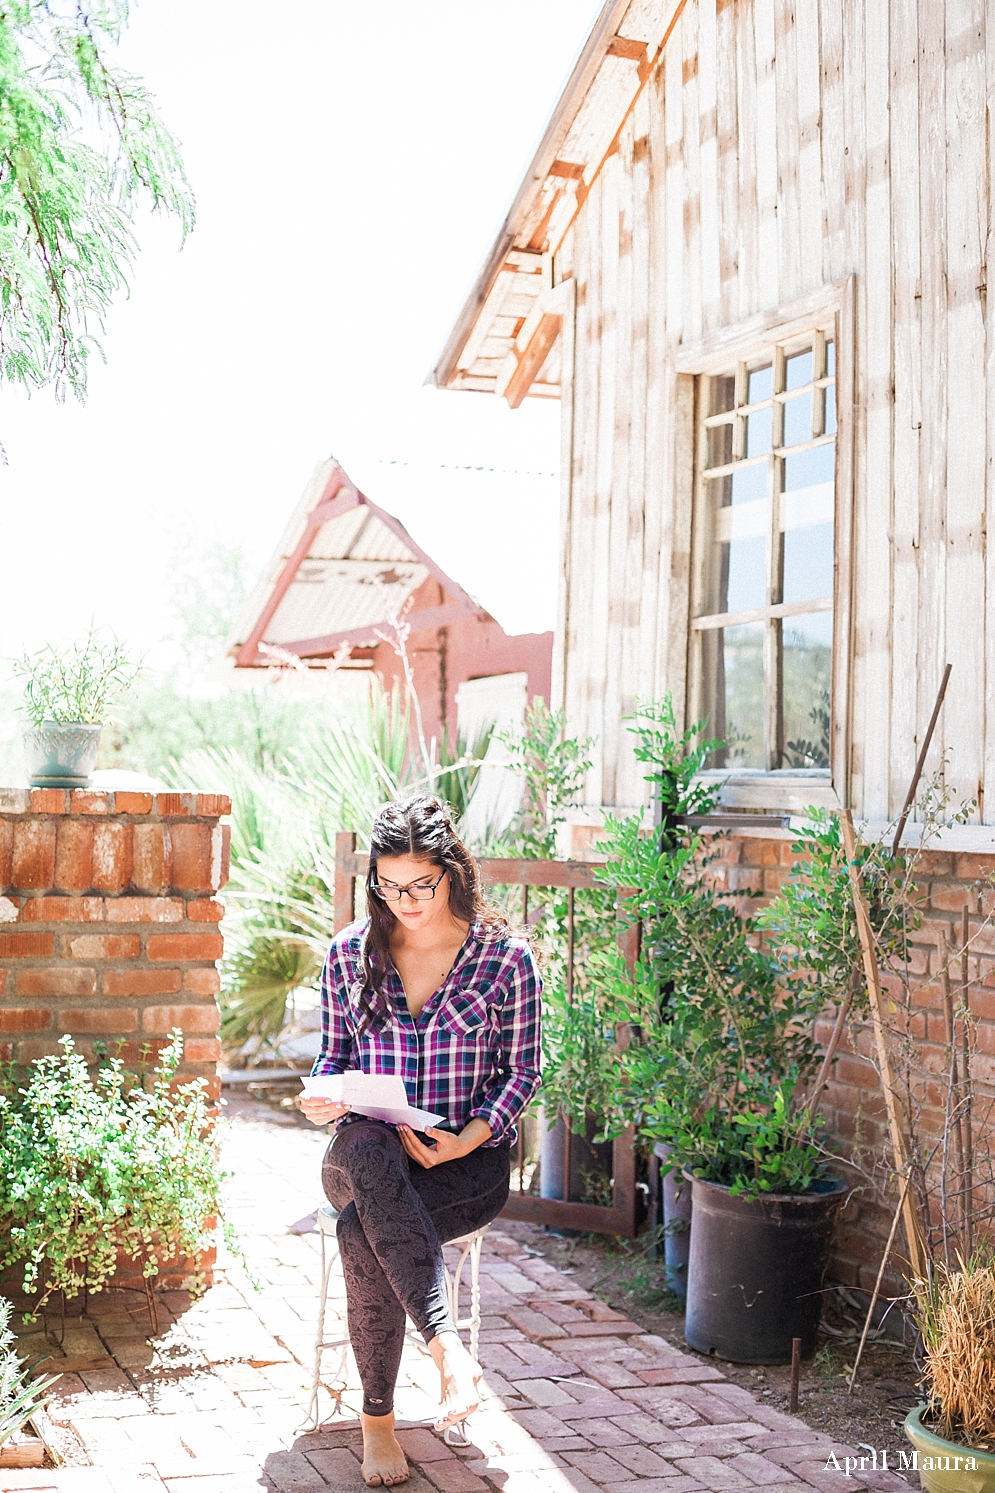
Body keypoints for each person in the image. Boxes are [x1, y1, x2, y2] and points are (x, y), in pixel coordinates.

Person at [300, 794, 541, 1489]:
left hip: (462, 1162)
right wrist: (323, 1095)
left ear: (452, 871)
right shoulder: (349, 954)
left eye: (419, 884)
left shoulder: (504, 959)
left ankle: (378, 1419)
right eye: (387, 883)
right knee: (369, 1152)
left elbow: (523, 1068)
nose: (402, 899)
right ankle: (447, 1351)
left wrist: (467, 1139)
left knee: (358, 1231)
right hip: (363, 1151)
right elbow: (331, 1056)